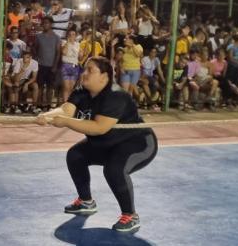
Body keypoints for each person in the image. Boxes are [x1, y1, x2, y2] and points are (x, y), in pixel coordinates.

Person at [36, 56, 157, 233]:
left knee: (114, 169)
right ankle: (86, 202)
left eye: (90, 70)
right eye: (84, 69)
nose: (84, 74)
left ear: (104, 76)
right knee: (75, 155)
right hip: (107, 143)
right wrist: (47, 115)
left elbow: (99, 128)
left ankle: (131, 215)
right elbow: (66, 110)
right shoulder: (81, 91)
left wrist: (66, 122)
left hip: (137, 143)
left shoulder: (116, 96)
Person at [33, 16, 60, 111]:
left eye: (47, 23)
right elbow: (34, 49)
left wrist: (55, 66)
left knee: (50, 87)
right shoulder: (38, 36)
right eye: (43, 23)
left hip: (51, 66)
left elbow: (58, 53)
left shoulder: (56, 37)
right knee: (40, 86)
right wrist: (36, 61)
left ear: (51, 24)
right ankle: (39, 105)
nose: (45, 25)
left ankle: (48, 105)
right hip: (40, 65)